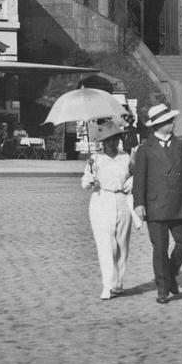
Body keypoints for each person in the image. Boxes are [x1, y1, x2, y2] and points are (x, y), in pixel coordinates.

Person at [131, 103, 182, 304]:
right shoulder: (145, 149)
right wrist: (139, 204)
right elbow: (139, 180)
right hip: (155, 207)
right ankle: (162, 289)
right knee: (160, 249)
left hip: (180, 205)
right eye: (169, 121)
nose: (173, 123)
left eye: (172, 120)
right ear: (159, 124)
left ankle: (171, 273)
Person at [80, 121, 136, 299]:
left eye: (114, 139)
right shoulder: (94, 160)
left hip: (122, 200)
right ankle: (107, 284)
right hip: (101, 200)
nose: (110, 143)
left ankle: (118, 282)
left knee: (121, 244)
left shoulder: (126, 158)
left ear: (119, 139)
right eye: (107, 140)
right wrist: (90, 180)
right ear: (101, 142)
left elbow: (134, 177)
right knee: (105, 245)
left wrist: (130, 183)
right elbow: (85, 183)